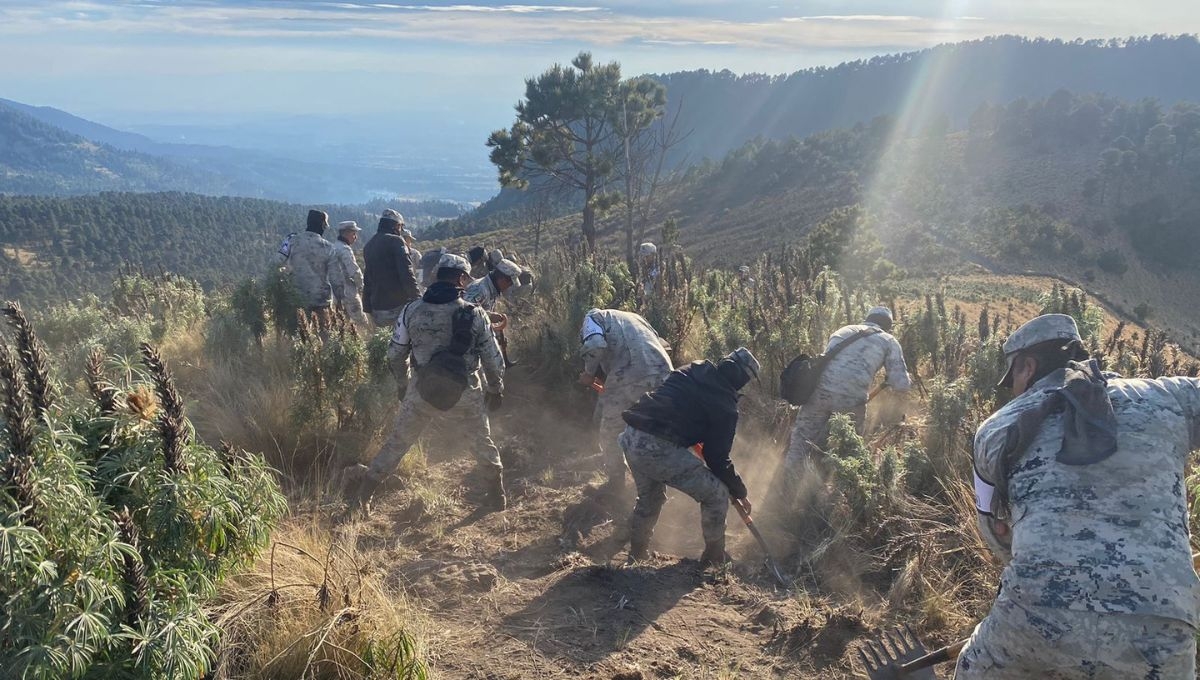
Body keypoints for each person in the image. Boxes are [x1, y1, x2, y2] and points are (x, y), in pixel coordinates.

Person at [958, 313, 1200, 679]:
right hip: (1162, 624)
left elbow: (994, 533)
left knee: (974, 668)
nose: (1012, 390)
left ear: (1027, 366)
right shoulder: (1171, 397)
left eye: (1012, 379)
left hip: (1036, 614)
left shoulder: (996, 429)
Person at [347, 254, 508, 513]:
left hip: (422, 391)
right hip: (465, 391)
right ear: (461, 278)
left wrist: (403, 384)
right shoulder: (475, 314)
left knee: (398, 442)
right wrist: (495, 389)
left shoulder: (411, 310)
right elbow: (493, 358)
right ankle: (496, 496)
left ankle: (364, 496)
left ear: (436, 276)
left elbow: (395, 354)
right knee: (481, 440)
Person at [619, 348, 760, 565]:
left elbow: (674, 404)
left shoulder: (692, 369)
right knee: (717, 494)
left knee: (651, 498)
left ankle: (637, 555)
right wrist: (739, 490)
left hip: (631, 437)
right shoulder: (726, 407)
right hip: (656, 448)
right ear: (743, 379)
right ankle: (714, 561)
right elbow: (716, 458)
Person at [784, 306, 910, 468]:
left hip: (818, 394)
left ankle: (787, 480)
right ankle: (829, 484)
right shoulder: (889, 341)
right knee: (847, 450)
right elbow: (902, 385)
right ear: (888, 326)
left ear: (868, 318)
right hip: (851, 401)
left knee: (800, 442)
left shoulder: (844, 330)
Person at [577, 309, 673, 490]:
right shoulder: (635, 318)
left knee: (610, 430)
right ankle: (670, 475)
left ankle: (616, 482)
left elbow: (595, 344)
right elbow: (663, 345)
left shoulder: (591, 318)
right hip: (665, 374)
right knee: (657, 429)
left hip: (630, 374)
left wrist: (589, 373)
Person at [363, 208, 420, 329]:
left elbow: (367, 279)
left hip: (376, 307)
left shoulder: (369, 245)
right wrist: (417, 298)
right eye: (400, 227)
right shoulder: (396, 241)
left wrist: (367, 306)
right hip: (396, 306)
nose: (401, 230)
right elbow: (406, 273)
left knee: (384, 343)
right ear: (395, 225)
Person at [279, 209, 336, 314]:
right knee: (324, 330)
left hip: (296, 300)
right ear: (323, 226)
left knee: (298, 330)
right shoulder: (329, 248)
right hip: (321, 302)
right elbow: (335, 277)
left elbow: (276, 262)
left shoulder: (290, 240)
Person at [331, 220, 369, 327]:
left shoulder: (333, 247)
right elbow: (354, 271)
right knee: (362, 323)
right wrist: (362, 286)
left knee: (341, 324)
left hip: (336, 294)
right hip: (349, 293)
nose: (355, 237)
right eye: (354, 233)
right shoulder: (344, 249)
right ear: (346, 233)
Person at [401, 225, 423, 290]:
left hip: (412, 286)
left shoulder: (415, 254)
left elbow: (420, 271)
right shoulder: (415, 253)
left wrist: (419, 287)